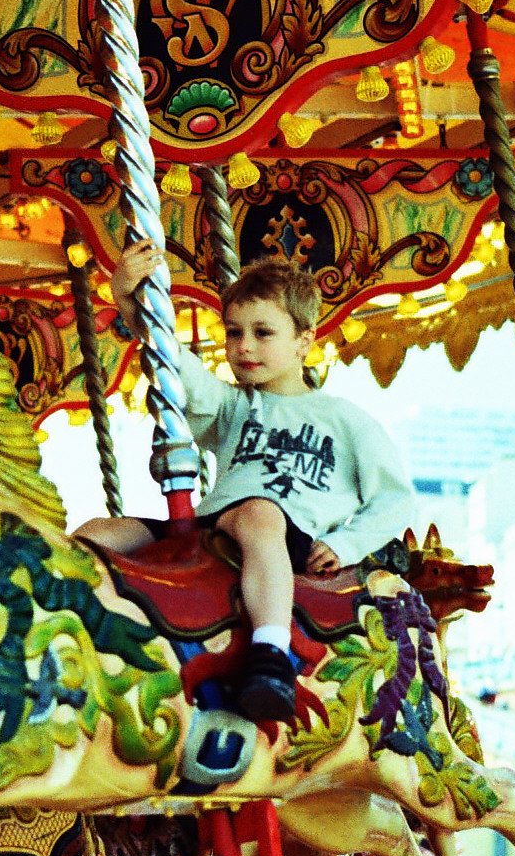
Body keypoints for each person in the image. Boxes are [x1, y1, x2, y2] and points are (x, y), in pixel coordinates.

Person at [78, 247, 415, 721]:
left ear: (304, 339)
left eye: (263, 333)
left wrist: (345, 543)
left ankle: (270, 655)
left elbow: (394, 500)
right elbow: (177, 367)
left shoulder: (344, 420)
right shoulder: (234, 405)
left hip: (285, 534)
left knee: (260, 513)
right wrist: (133, 306)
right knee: (95, 533)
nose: (244, 347)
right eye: (234, 333)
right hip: (210, 527)